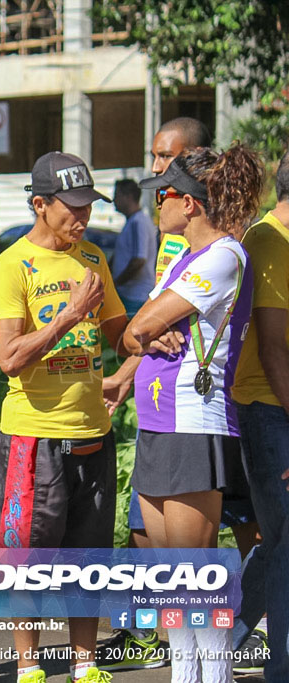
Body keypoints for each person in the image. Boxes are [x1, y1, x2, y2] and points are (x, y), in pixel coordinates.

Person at [100, 117, 262, 672]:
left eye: (163, 194)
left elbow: (141, 327)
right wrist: (139, 333)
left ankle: (211, 673)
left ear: (189, 204)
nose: (156, 204)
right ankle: (186, 672)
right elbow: (130, 334)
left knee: (195, 575)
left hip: (194, 421)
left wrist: (143, 327)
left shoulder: (223, 256)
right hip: (159, 419)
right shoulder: (185, 257)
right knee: (167, 573)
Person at [0, 152, 126, 683]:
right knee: (28, 555)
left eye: (89, 206)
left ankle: (85, 662)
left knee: (89, 553)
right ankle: (28, 665)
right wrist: (69, 316)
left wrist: (147, 344)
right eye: (72, 207)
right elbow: (9, 358)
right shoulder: (11, 266)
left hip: (94, 430)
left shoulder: (93, 258)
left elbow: (119, 333)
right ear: (40, 205)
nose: (83, 217)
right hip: (33, 435)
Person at [229, 149, 289, 680]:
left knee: (281, 539)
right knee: (283, 539)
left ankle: (224, 641)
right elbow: (272, 349)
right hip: (270, 410)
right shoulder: (268, 240)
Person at [110, 179, 158, 315]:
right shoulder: (132, 221)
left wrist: (116, 283)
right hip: (128, 294)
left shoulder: (139, 222)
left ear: (128, 197)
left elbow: (139, 260)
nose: (114, 200)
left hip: (135, 295)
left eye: (117, 195)